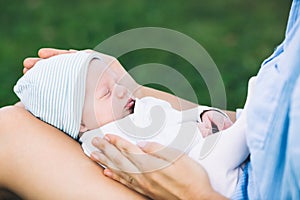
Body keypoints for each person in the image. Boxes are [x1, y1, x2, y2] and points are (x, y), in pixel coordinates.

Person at [14, 49, 245, 197]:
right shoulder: (104, 139)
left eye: (117, 82)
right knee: (241, 134)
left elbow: (171, 116)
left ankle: (248, 126)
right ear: (80, 124)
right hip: (207, 174)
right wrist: (200, 131)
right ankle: (248, 126)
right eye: (106, 92)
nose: (123, 91)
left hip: (207, 173)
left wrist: (201, 119)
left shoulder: (129, 112)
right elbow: (158, 152)